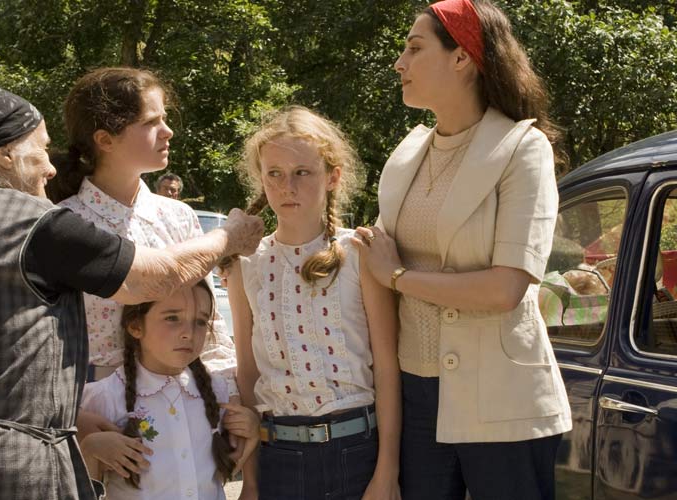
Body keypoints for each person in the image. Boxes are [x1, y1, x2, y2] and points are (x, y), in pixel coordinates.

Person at [0, 83, 263, 500]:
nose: (52, 168)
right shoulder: (34, 224)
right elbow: (155, 278)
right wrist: (230, 236)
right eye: (41, 149)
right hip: (6, 473)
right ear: (5, 155)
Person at [353, 1, 571, 499]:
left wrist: (400, 278)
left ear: (462, 59)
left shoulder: (523, 148)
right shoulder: (405, 155)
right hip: (418, 398)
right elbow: (378, 257)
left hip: (502, 401)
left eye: (414, 48)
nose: (398, 63)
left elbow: (506, 288)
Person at [227, 106, 402, 500]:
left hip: (357, 452)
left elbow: (388, 368)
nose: (287, 186)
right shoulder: (247, 263)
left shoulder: (359, 254)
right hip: (278, 457)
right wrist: (251, 481)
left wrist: (387, 472)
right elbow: (248, 375)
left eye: (302, 172)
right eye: (274, 174)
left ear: (332, 176)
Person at [52, 67, 236, 387]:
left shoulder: (179, 217)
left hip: (183, 406)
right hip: (95, 413)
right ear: (105, 140)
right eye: (151, 122)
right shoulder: (63, 224)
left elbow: (210, 328)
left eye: (164, 119)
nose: (167, 131)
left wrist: (227, 398)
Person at [79, 279, 259, 499]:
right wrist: (90, 448)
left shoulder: (218, 392)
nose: (188, 333)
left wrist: (252, 430)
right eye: (172, 318)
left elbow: (223, 467)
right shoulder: (103, 397)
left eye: (200, 321)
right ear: (135, 325)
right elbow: (81, 482)